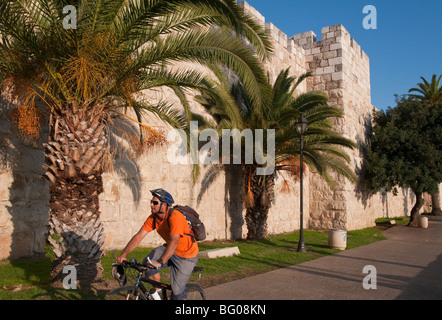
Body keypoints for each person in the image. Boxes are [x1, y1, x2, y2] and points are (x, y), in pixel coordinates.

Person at [115, 188, 199, 300]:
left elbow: (174, 241)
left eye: (155, 203)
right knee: (147, 265)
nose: (151, 205)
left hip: (186, 255)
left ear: (164, 205)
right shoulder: (153, 218)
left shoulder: (175, 217)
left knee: (177, 293)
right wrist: (123, 254)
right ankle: (158, 295)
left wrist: (160, 261)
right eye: (151, 202)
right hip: (170, 249)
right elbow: (139, 236)